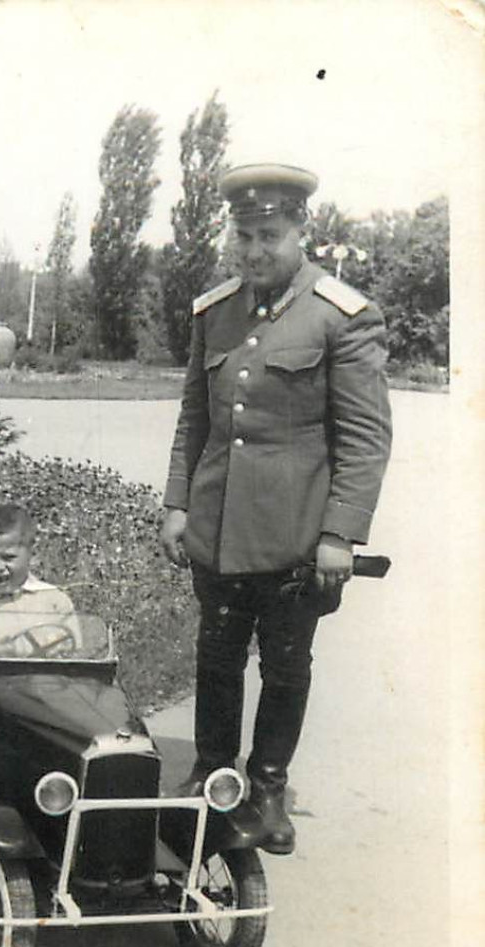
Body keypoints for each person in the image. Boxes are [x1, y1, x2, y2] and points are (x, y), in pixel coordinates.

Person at [160, 163, 392, 855]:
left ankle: (266, 787)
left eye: (270, 235)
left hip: (295, 536)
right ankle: (210, 771)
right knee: (217, 655)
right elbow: (194, 418)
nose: (255, 250)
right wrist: (177, 504)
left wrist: (340, 534)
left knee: (286, 665)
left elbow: (364, 438)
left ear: (302, 231)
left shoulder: (342, 316)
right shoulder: (214, 311)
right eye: (245, 236)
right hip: (218, 527)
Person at [0, 503, 78, 674]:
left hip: (55, 685)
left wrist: (61, 650)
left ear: (33, 554)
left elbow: (77, 654)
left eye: (8, 557)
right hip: (0, 689)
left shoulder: (54, 599)